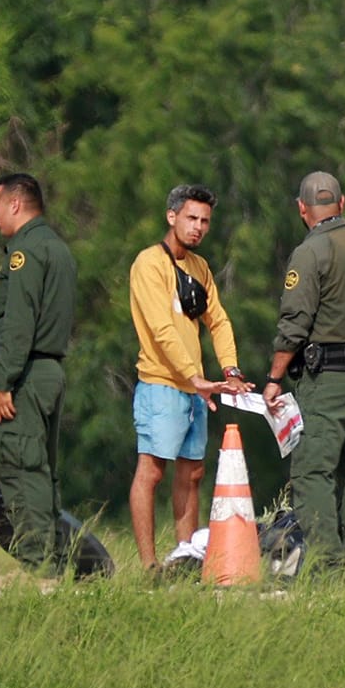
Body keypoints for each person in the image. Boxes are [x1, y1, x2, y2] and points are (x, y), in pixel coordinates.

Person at [265, 171, 345, 565]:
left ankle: (328, 565)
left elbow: (295, 324)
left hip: (330, 378)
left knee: (312, 472)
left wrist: (273, 379)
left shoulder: (311, 252)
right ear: (342, 203)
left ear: (303, 209)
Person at [128, 184, 248, 570]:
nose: (198, 227)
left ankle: (185, 555)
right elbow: (162, 329)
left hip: (196, 389)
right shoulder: (150, 264)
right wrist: (192, 375)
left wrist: (229, 369)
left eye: (205, 221)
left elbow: (219, 320)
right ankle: (149, 566)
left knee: (193, 472)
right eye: (191, 218)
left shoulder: (199, 268)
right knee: (152, 470)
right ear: (172, 217)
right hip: (161, 382)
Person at [0, 172, 78, 577]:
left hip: (24, 374)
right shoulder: (58, 248)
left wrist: (3, 380)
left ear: (14, 204)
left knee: (21, 470)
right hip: (51, 371)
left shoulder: (24, 251)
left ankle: (39, 564)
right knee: (44, 472)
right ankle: (55, 559)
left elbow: (19, 323)